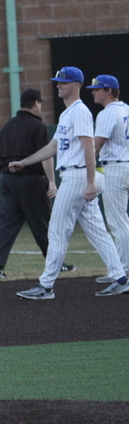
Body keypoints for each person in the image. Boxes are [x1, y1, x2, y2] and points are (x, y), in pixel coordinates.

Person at [10, 67, 128, 299]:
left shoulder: (80, 112)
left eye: (63, 83)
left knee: (57, 230)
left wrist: (91, 182)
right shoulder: (67, 113)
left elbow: (88, 147)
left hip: (77, 177)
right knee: (98, 232)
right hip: (77, 176)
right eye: (57, 82)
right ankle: (121, 277)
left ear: (76, 85)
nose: (58, 86)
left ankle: (46, 286)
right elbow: (52, 147)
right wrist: (24, 162)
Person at [0, 89, 76, 279]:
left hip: (7, 179)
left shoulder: (7, 126)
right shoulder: (37, 126)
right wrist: (51, 181)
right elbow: (47, 155)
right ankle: (56, 264)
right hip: (31, 180)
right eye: (40, 103)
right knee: (44, 223)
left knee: (6, 223)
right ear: (36, 103)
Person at [89, 75, 129, 285]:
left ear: (109, 91)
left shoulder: (107, 113)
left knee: (117, 222)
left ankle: (122, 271)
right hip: (126, 162)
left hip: (116, 167)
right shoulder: (126, 108)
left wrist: (87, 167)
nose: (93, 92)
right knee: (121, 221)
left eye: (98, 89)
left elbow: (97, 145)